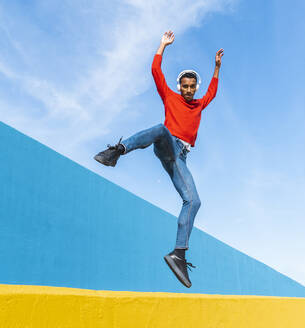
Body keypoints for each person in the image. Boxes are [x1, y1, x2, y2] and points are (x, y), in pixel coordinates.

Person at [94, 30, 223, 288]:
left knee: (194, 201)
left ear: (195, 88)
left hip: (180, 158)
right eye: (184, 86)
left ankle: (179, 254)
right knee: (161, 129)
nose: (187, 90)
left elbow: (212, 92)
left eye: (191, 87)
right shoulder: (170, 97)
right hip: (168, 145)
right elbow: (156, 72)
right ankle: (117, 151)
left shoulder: (198, 104)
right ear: (179, 87)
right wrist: (162, 46)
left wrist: (216, 68)